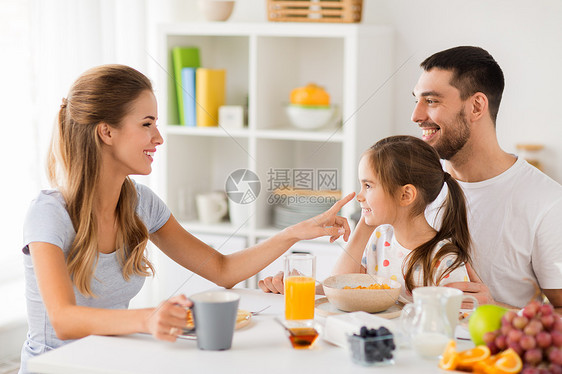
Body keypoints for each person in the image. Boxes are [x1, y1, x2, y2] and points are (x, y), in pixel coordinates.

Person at [19, 64, 354, 373]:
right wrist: (149, 319)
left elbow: (221, 270)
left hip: (112, 361)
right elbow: (63, 319)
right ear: (106, 132)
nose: (158, 137)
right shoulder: (50, 214)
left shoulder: (141, 204)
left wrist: (293, 233)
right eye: (147, 124)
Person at [411, 46, 562, 311]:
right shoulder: (414, 189)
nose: (416, 116)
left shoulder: (547, 202)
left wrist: (494, 308)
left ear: (477, 106)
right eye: (417, 101)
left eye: (431, 101)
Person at [260, 136, 473, 302]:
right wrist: (299, 285)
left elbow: (454, 323)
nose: (359, 196)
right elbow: (340, 288)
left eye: (368, 186)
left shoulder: (444, 260)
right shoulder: (380, 239)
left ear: (405, 195)